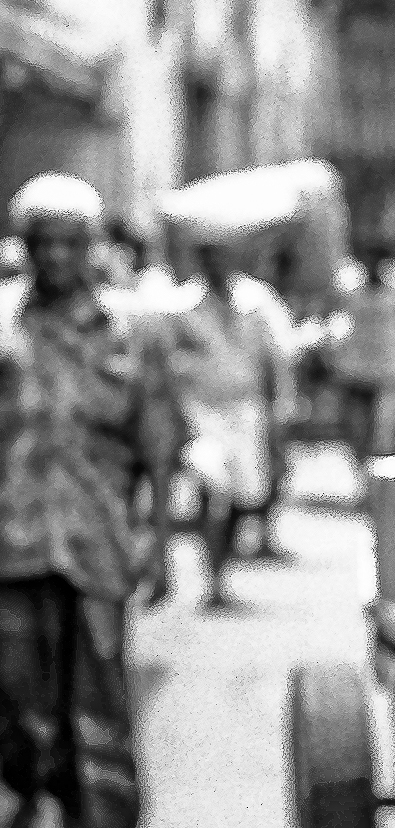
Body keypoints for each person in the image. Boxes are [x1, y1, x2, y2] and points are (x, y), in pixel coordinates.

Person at [0, 173, 177, 828]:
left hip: (98, 536)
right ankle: (24, 796)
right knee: (16, 690)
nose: (55, 256)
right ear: (25, 245)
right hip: (11, 533)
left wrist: (160, 536)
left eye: (71, 242)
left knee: (92, 691)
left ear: (93, 248)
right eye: (41, 241)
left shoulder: (134, 329)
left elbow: (158, 440)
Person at [167, 239, 290, 608]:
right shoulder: (181, 306)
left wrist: (278, 414)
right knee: (211, 488)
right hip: (201, 413)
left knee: (243, 498)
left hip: (245, 412)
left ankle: (222, 570)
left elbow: (275, 359)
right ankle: (212, 579)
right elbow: (169, 363)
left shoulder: (258, 302)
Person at [328, 239, 395, 470]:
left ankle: (371, 475)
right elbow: (338, 314)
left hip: (385, 370)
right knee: (355, 424)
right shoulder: (348, 283)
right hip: (354, 366)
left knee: (380, 430)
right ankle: (359, 467)